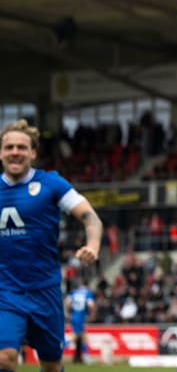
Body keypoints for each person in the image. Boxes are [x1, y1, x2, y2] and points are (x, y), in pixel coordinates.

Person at [0, 120, 103, 372]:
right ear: (1, 152)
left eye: (22, 147)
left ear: (33, 153)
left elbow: (90, 217)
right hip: (5, 291)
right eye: (9, 147)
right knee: (4, 358)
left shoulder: (52, 184)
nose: (15, 152)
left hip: (45, 292)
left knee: (52, 365)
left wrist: (93, 244)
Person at [66, 280, 95, 364]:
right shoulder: (87, 293)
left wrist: (69, 312)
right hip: (80, 316)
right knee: (74, 337)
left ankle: (87, 356)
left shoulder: (73, 292)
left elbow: (67, 302)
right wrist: (91, 313)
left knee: (83, 336)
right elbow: (91, 304)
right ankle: (57, 351)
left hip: (74, 316)